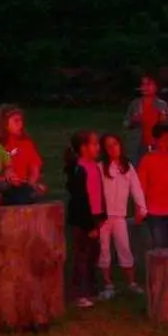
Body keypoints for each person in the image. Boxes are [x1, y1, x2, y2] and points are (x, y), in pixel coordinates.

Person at [98, 133, 147, 299]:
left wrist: (142, 208)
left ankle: (131, 282)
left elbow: (136, 188)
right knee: (104, 250)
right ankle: (108, 284)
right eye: (109, 146)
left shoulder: (127, 167)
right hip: (103, 217)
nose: (113, 148)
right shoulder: (101, 167)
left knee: (124, 248)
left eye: (115, 144)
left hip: (119, 216)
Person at [65, 130, 105, 309]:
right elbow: (80, 199)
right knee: (82, 256)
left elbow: (98, 191)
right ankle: (78, 293)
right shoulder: (79, 169)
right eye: (94, 144)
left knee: (92, 255)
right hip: (82, 220)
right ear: (83, 148)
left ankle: (90, 289)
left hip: (94, 216)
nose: (98, 148)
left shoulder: (94, 166)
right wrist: (89, 224)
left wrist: (102, 214)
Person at [0, 104, 46, 204]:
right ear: (5, 123)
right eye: (16, 121)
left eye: (21, 121)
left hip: (24, 185)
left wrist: (31, 183)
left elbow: (34, 168)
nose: (20, 125)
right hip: (3, 184)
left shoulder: (27, 144)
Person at [122, 74, 168, 165]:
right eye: (143, 85)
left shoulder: (162, 105)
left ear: (156, 87)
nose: (145, 87)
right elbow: (125, 123)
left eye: (148, 84)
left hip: (156, 145)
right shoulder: (135, 104)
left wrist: (164, 122)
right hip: (138, 146)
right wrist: (132, 121)